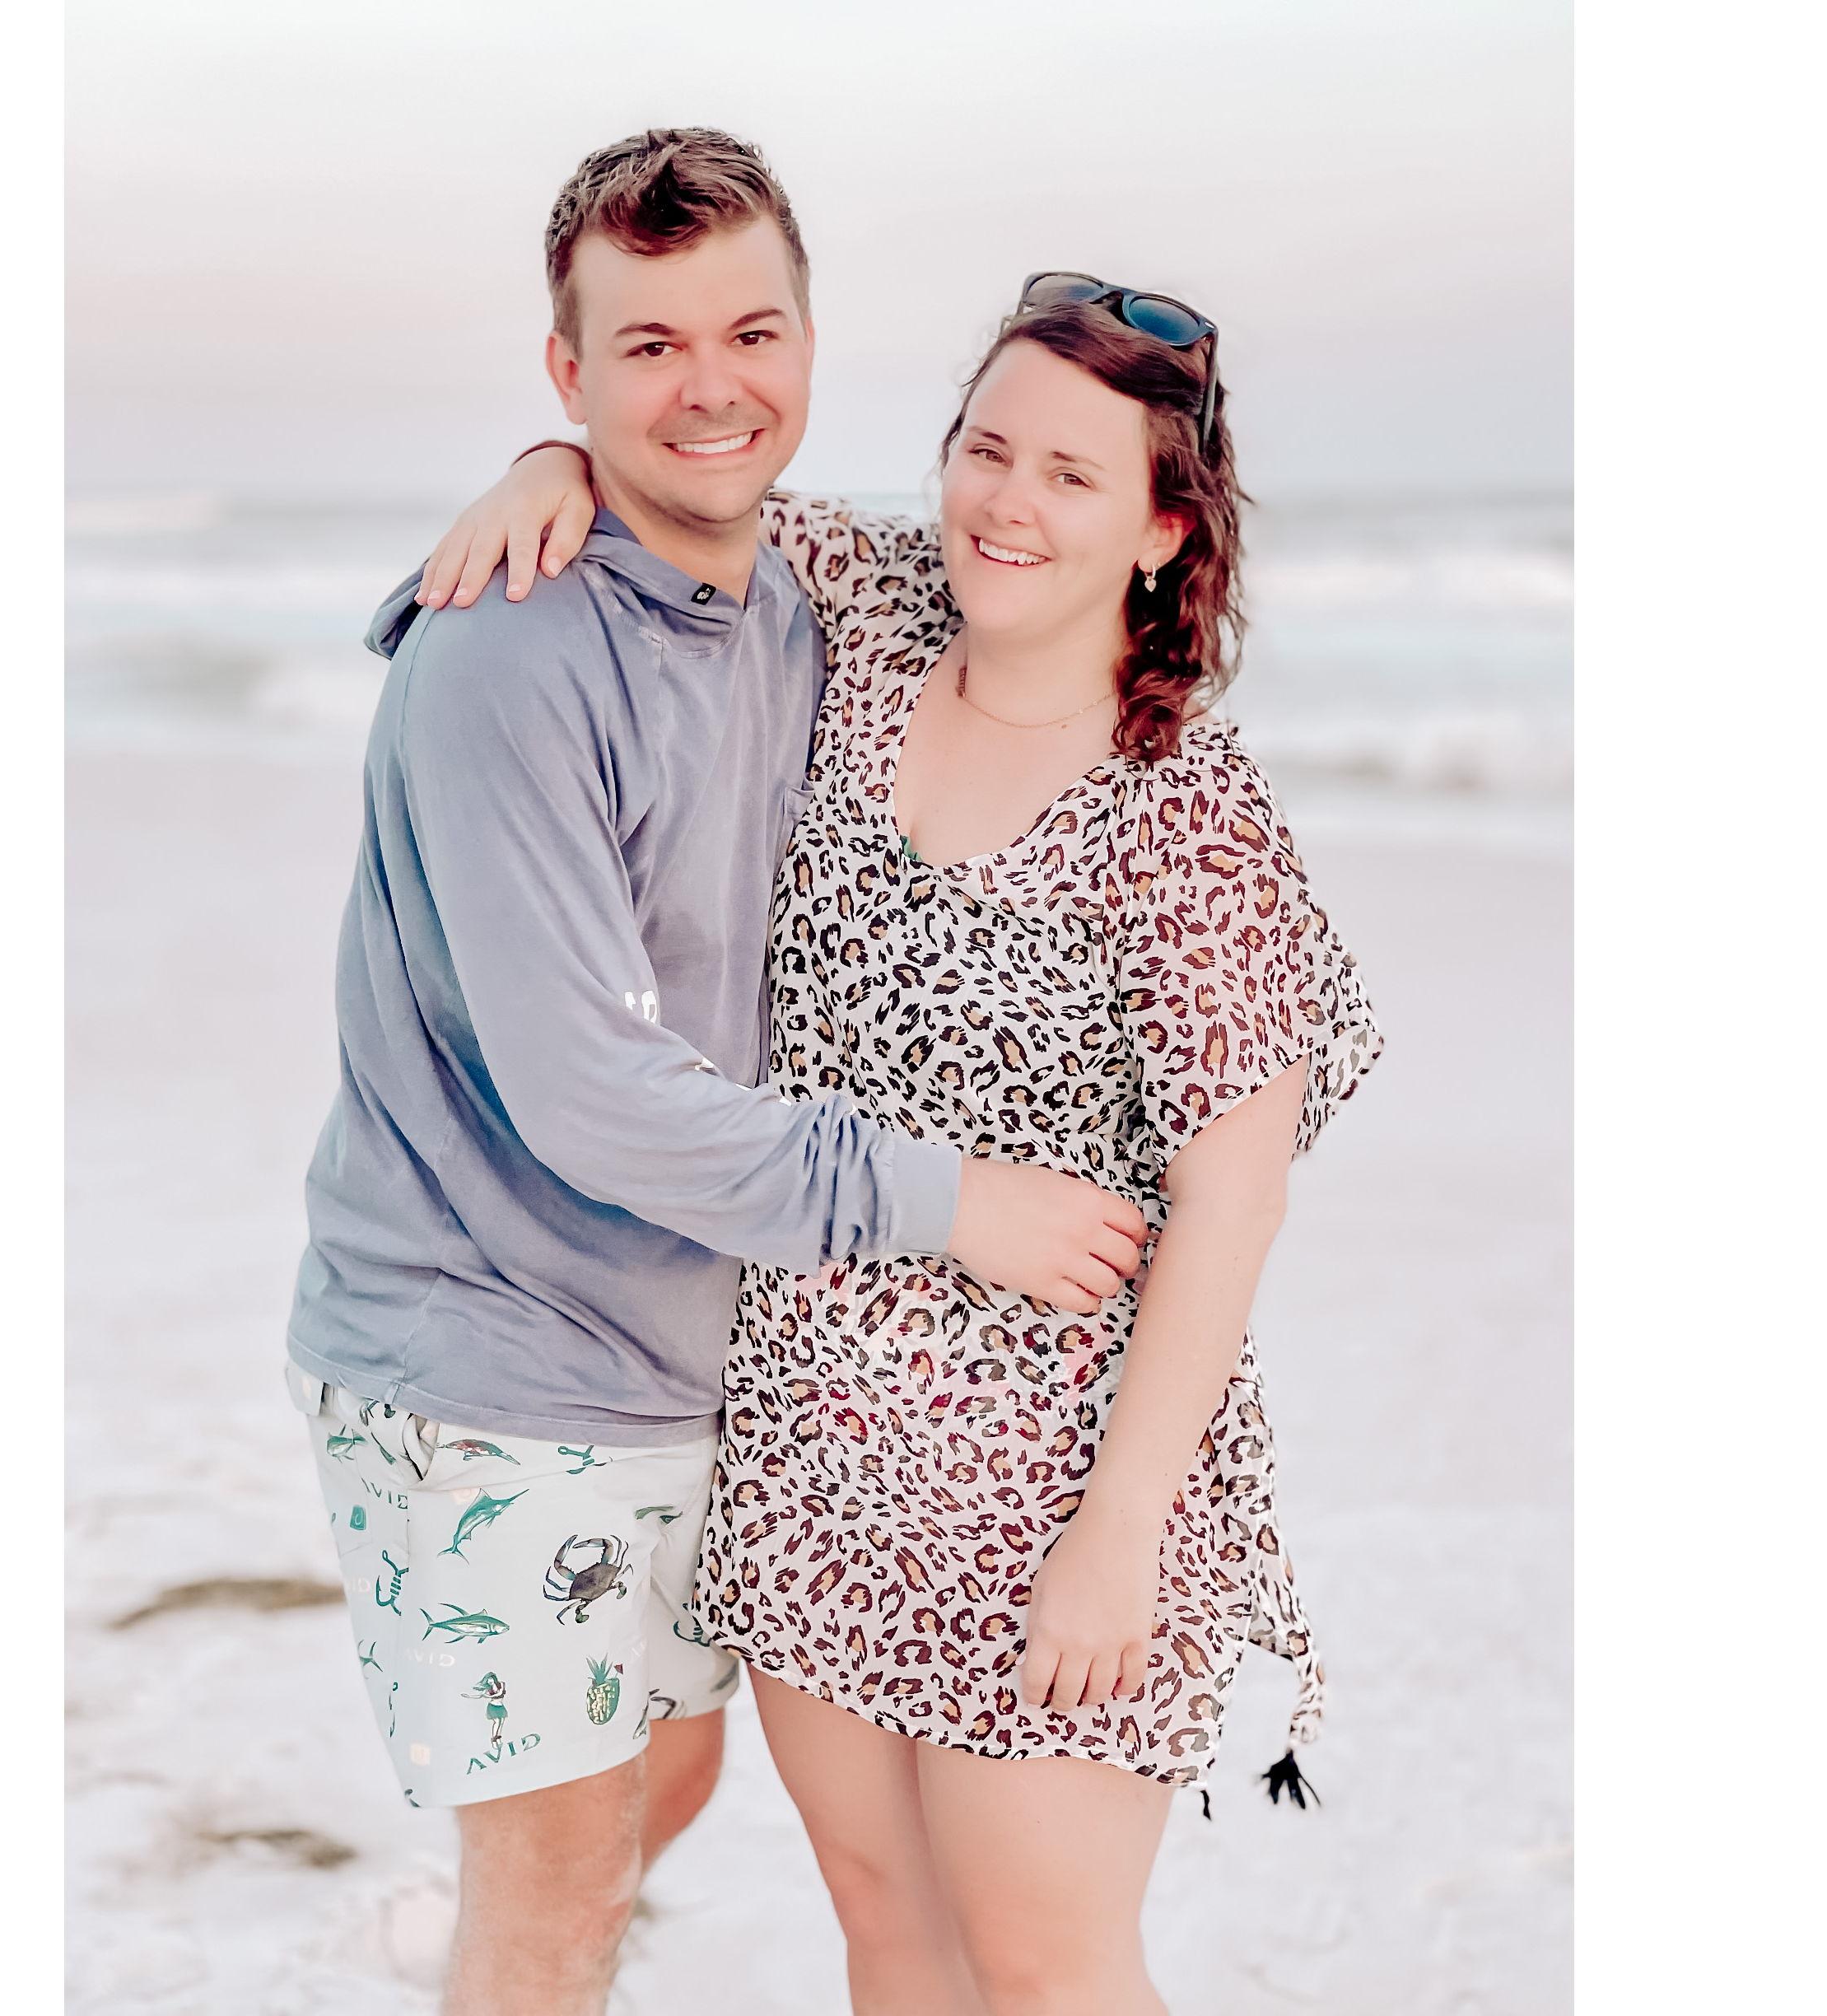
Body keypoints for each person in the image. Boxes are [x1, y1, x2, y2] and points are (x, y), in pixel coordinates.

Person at [425, 274, 1386, 2014]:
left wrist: (1119, 1535)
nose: (1009, 502)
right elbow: (693, 475)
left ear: (1164, 531)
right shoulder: (866, 617)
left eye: (1074, 476)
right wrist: (544, 463)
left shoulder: (1189, 814)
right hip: (814, 1439)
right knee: (890, 1932)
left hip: (1062, 1473)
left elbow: (1235, 1201)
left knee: (1048, 1965)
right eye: (986, 449)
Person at [284, 132, 1147, 2016]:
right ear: (568, 371)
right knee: (559, 1890)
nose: (710, 387)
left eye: (749, 334)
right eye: (648, 345)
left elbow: (1063, 572)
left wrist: (559, 470)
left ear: (809, 345)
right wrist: (952, 1202)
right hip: (486, 1351)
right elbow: (594, 1097)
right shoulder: (512, 656)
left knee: (659, 1787)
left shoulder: (803, 608)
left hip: (683, 1348)